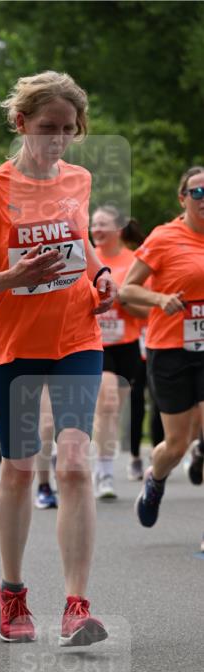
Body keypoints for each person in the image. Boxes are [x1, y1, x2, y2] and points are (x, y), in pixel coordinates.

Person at [0, 70, 116, 645]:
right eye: (48, 128)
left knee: (73, 462)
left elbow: (82, 240)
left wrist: (100, 274)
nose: (58, 140)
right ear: (21, 123)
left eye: (69, 130)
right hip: (12, 347)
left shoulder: (79, 179)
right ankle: (13, 591)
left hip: (76, 337)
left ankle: (77, 605)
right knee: (20, 469)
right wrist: (13, 274)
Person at [122, 165, 204, 527]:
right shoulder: (164, 238)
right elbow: (127, 289)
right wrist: (158, 299)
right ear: (183, 198)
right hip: (171, 349)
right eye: (197, 193)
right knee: (175, 445)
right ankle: (155, 481)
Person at [90, 206, 149, 498]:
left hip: (127, 343)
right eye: (93, 224)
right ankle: (105, 473)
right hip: (92, 340)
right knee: (108, 400)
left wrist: (123, 299)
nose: (96, 229)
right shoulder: (87, 258)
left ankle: (102, 461)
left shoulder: (135, 261)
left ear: (119, 229)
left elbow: (147, 312)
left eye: (102, 224)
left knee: (113, 411)